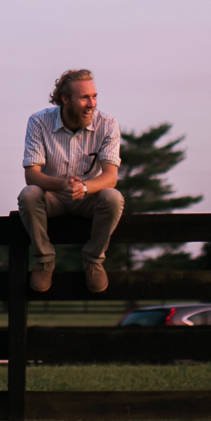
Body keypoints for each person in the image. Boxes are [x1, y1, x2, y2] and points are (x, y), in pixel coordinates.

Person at [18, 68, 125, 294]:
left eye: (94, 96)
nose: (92, 103)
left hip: (89, 197)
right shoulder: (39, 121)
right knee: (28, 194)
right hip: (53, 197)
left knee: (113, 198)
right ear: (65, 99)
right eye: (85, 97)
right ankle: (44, 261)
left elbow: (110, 177)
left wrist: (84, 188)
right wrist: (62, 185)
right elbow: (32, 175)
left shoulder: (108, 124)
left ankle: (94, 261)